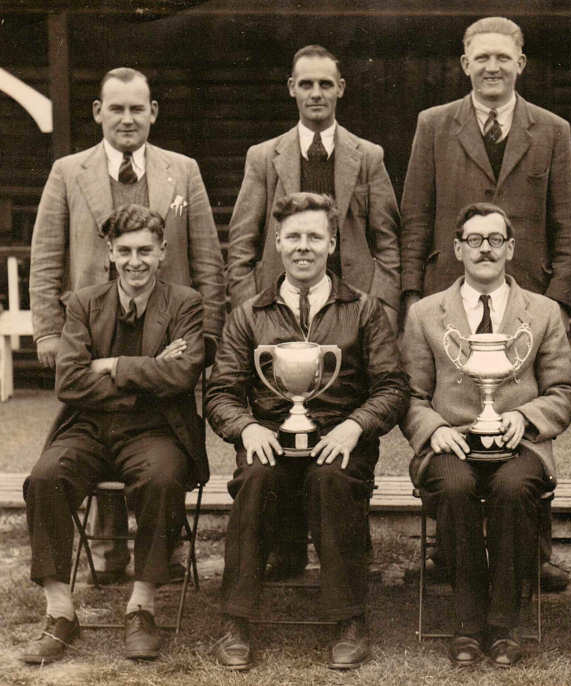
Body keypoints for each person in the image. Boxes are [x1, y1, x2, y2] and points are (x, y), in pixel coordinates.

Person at [401, 16, 571, 590]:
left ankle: (535, 552)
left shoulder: (552, 129)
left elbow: (569, 224)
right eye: (481, 58)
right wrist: (413, 297)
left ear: (521, 64)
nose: (493, 67)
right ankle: (449, 553)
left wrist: (553, 305)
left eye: (503, 57)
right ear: (464, 64)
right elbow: (415, 215)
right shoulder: (434, 125)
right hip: (451, 302)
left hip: (525, 304)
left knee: (524, 430)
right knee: (454, 424)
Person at [28, 67, 225, 584]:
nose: (127, 118)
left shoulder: (182, 171)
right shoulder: (69, 172)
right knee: (96, 423)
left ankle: (164, 552)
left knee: (159, 435)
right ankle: (110, 549)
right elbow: (47, 255)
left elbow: (207, 258)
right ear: (98, 113)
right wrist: (49, 332)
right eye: (116, 108)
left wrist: (207, 337)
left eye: (138, 108)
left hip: (168, 327)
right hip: (89, 326)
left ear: (153, 112)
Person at [206, 192, 408, 671]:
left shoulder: (364, 310)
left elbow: (393, 387)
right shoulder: (249, 314)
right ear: (277, 241)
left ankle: (348, 619)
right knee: (255, 479)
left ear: (332, 243)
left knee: (331, 479)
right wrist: (247, 427)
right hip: (271, 435)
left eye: (314, 237)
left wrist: (356, 426)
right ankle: (236, 620)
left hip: (340, 440)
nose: (303, 247)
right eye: (293, 236)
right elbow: (221, 392)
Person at [225, 45, 402, 579]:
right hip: (278, 314)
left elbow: (387, 240)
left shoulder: (367, 155)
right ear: (292, 88)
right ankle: (285, 547)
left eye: (326, 84)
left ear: (341, 88)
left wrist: (384, 308)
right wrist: (249, 314)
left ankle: (345, 556)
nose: (317, 94)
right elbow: (242, 242)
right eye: (307, 84)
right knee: (283, 414)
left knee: (340, 422)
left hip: (348, 308)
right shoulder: (265, 156)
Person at [20, 204, 207, 664]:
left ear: (163, 252)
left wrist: (112, 366)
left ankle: (142, 606)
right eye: (125, 251)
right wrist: (147, 373)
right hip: (88, 427)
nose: (135, 261)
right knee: (44, 479)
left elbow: (183, 376)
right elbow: (69, 382)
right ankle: (60, 611)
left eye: (146, 250)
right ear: (110, 252)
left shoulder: (185, 303)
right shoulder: (84, 303)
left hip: (156, 430)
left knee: (163, 480)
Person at [401, 202, 571, 667]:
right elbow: (410, 394)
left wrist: (529, 417)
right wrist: (433, 428)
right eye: (475, 240)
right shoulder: (424, 314)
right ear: (457, 249)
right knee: (456, 488)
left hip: (520, 442)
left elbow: (565, 388)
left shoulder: (541, 313)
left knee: (513, 488)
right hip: (452, 439)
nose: (485, 249)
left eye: (495, 240)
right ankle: (466, 623)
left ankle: (502, 627)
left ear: (511, 248)